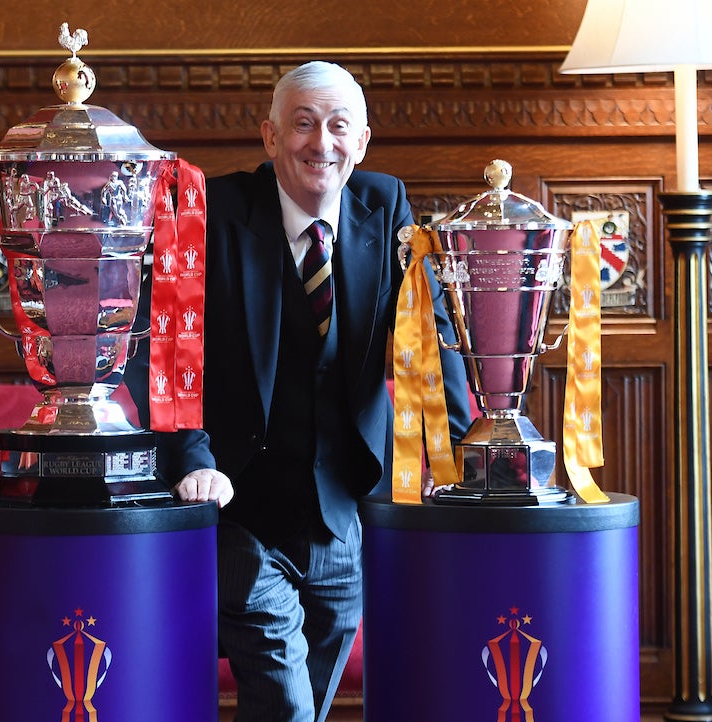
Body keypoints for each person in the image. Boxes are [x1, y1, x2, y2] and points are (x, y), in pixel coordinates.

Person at [127, 61, 473, 722]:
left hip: (346, 515)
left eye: (339, 126)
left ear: (362, 141)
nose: (322, 143)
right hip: (239, 512)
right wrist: (193, 459)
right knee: (285, 702)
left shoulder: (387, 207)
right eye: (304, 125)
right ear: (269, 136)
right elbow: (165, 349)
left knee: (302, 708)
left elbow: (431, 337)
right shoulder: (212, 213)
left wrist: (465, 456)